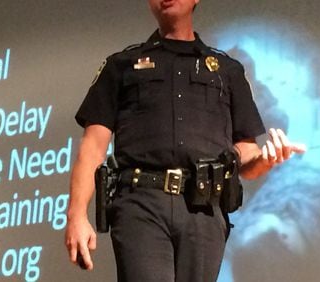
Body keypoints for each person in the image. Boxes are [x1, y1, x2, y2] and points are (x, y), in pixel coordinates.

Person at [64, 0, 306, 281]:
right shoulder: (121, 65)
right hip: (141, 203)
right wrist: (76, 216)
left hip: (204, 208)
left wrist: (267, 159)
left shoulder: (227, 71)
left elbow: (247, 155)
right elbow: (93, 147)